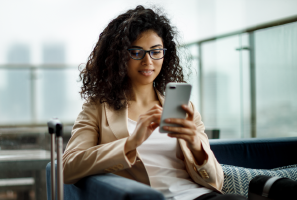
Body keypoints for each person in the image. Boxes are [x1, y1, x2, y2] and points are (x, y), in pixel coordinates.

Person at [62, 5, 246, 200]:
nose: (148, 61)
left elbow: (216, 181)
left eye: (156, 51)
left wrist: (196, 145)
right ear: (119, 57)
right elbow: (67, 168)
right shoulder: (97, 108)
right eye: (136, 52)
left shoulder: (184, 108)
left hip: (200, 196)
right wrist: (131, 143)